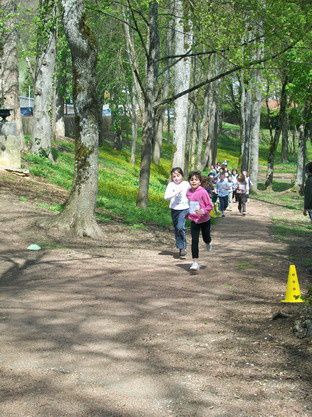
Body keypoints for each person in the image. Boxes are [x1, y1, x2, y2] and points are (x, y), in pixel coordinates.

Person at [186, 171, 213, 271]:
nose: (193, 181)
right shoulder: (188, 192)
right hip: (194, 220)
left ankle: (209, 242)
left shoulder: (203, 192)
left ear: (200, 181)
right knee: (194, 240)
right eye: (192, 179)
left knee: (206, 238)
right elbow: (189, 205)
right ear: (189, 181)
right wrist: (187, 213)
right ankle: (195, 262)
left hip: (205, 220)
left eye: (196, 179)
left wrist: (202, 211)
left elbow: (210, 206)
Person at [164, 167, 190, 258]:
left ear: (182, 176)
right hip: (174, 209)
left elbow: (193, 193)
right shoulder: (171, 185)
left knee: (180, 226)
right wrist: (175, 192)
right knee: (177, 228)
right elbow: (166, 197)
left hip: (184, 208)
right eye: (174, 176)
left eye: (178, 176)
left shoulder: (186, 184)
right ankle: (181, 247)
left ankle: (183, 248)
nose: (176, 178)